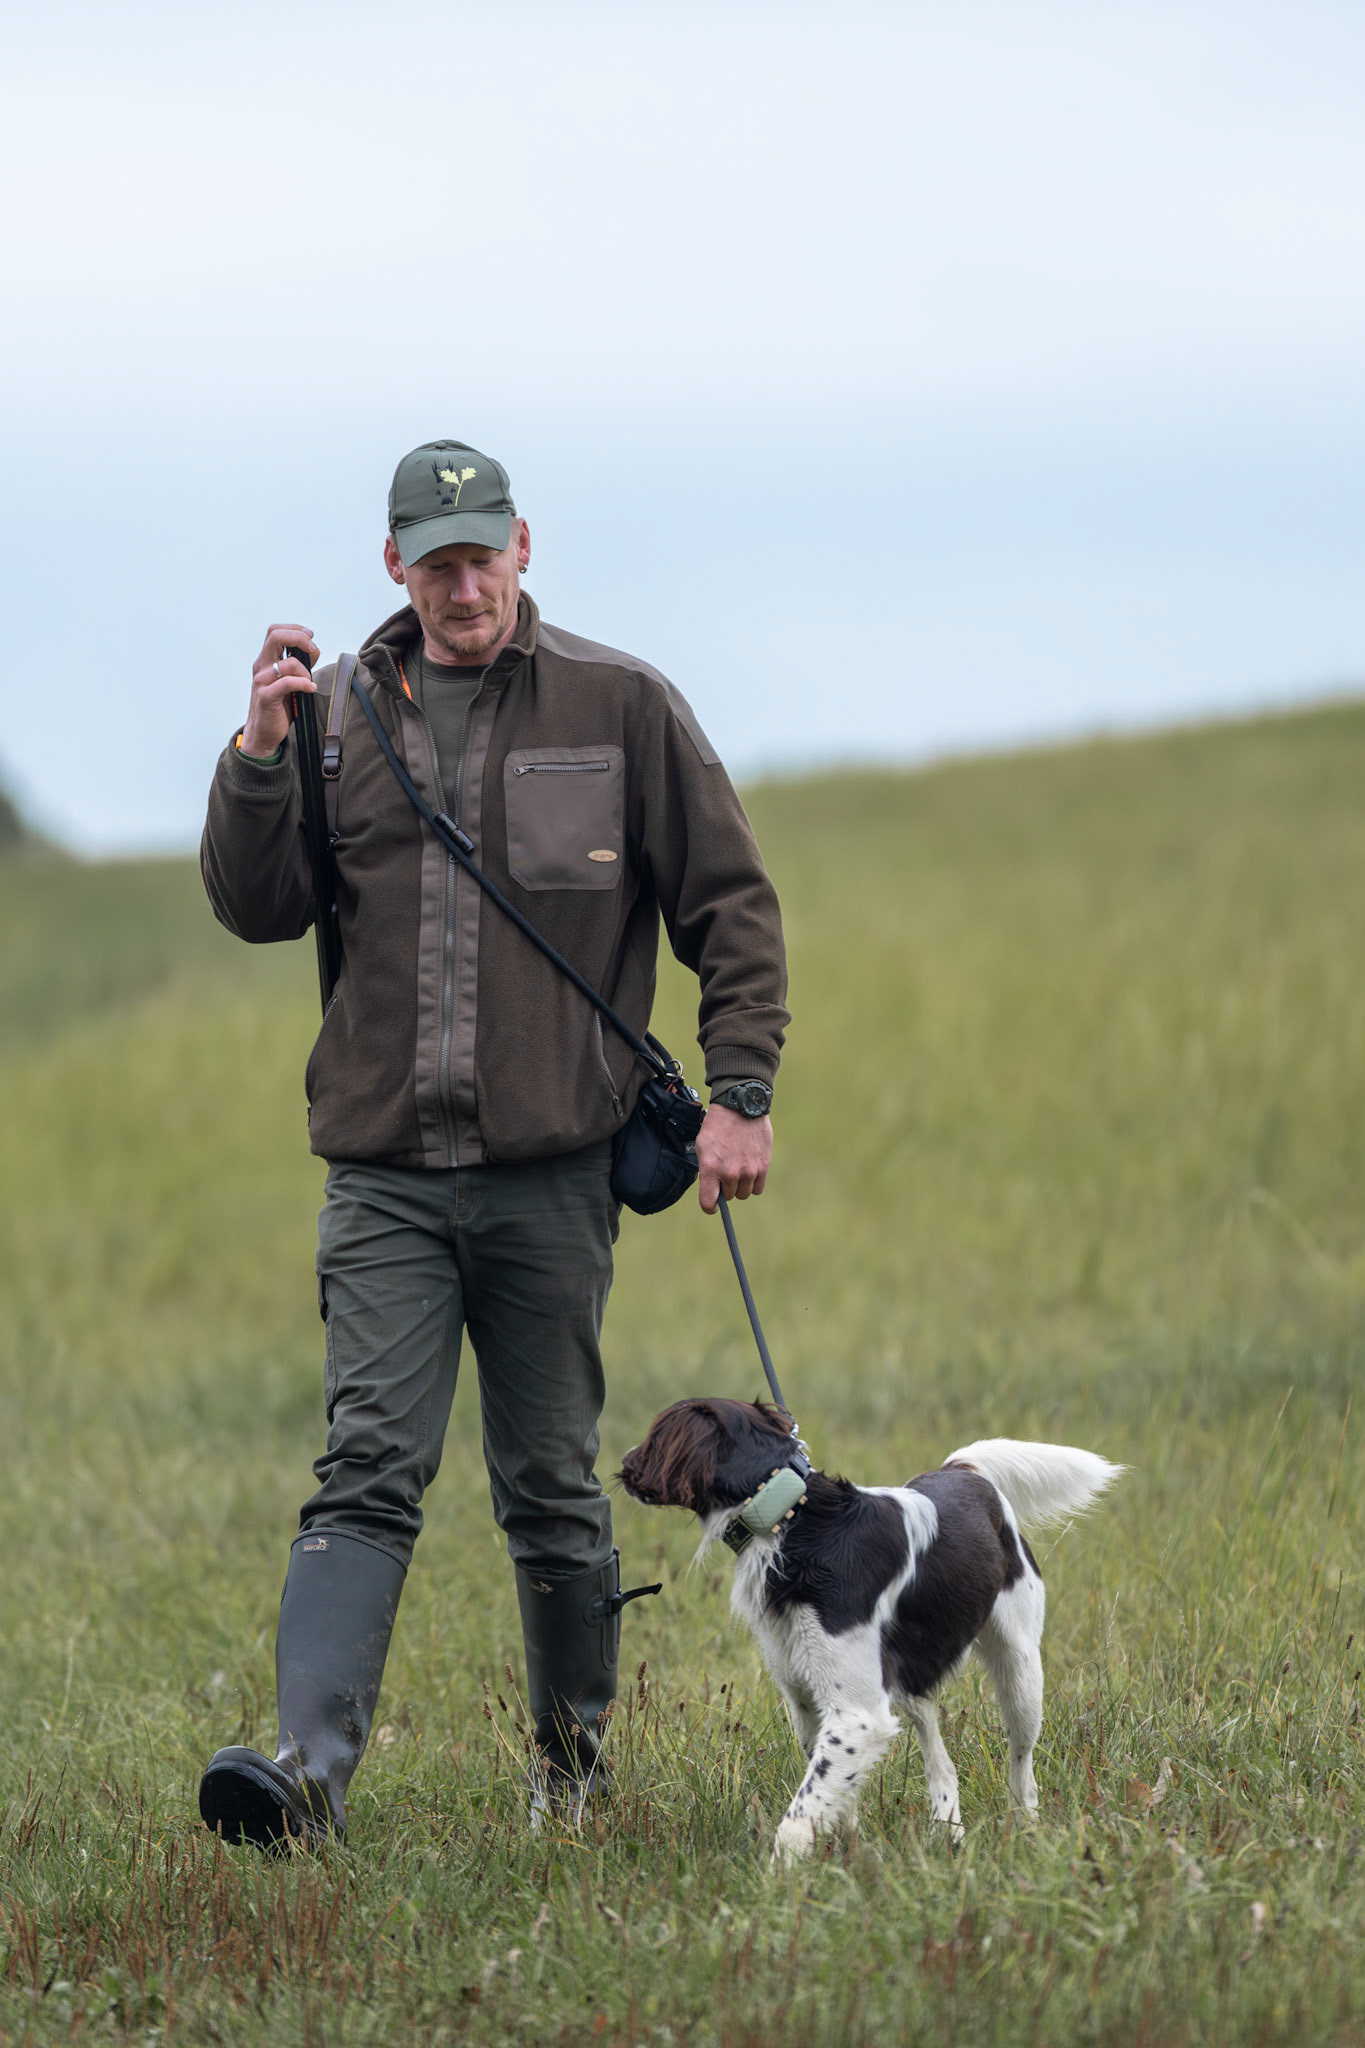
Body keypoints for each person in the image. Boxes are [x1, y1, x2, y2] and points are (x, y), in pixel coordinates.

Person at [196, 439, 789, 1847]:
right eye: (436, 565)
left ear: (523, 545)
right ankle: (305, 1778)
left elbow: (731, 908)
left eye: (483, 558)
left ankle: (572, 1780)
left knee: (549, 1487)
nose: (463, 589)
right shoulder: (333, 719)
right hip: (384, 1176)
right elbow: (257, 906)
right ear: (394, 566)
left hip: (553, 1174)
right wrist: (258, 755)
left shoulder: (620, 703)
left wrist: (741, 1093)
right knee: (365, 1470)